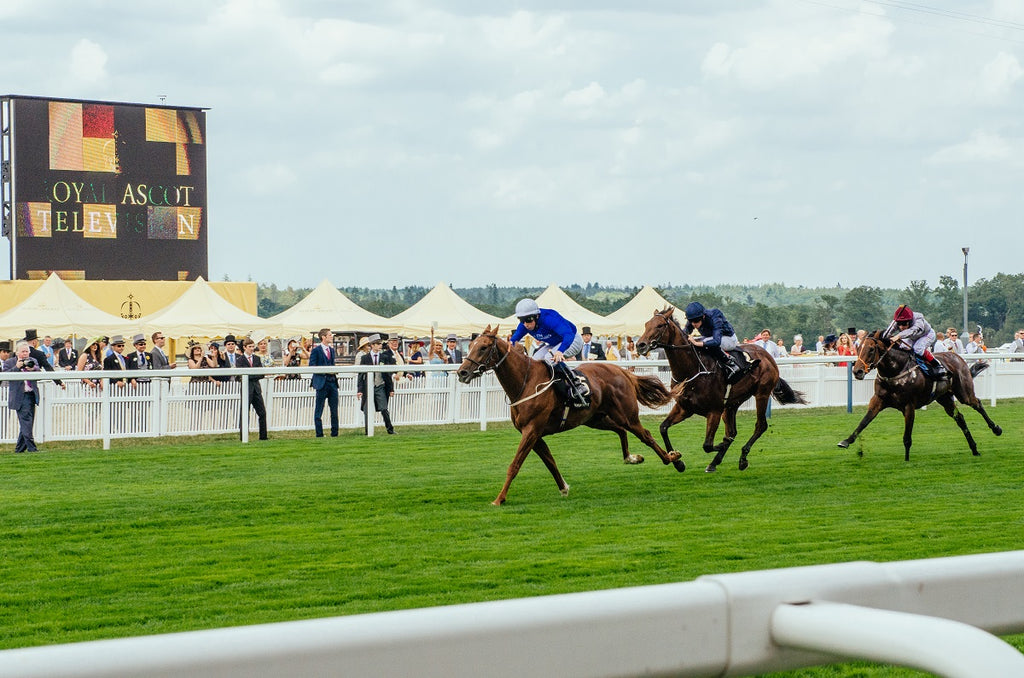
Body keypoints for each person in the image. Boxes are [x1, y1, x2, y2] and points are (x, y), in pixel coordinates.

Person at [509, 298, 589, 407]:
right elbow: (514, 340)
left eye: (528, 320)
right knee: (535, 360)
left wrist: (560, 351)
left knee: (548, 359)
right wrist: (509, 345)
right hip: (555, 343)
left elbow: (568, 335)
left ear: (537, 316)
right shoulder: (525, 325)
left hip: (573, 339)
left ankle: (577, 384)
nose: (526, 324)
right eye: (522, 320)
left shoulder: (550, 319)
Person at [681, 301, 758, 384]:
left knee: (702, 342)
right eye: (691, 321)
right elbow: (684, 333)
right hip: (710, 337)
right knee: (695, 340)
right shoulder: (694, 317)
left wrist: (696, 343)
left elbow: (716, 341)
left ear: (703, 316)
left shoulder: (715, 315)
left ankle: (731, 364)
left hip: (729, 339)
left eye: (696, 321)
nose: (693, 324)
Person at [883, 304, 947, 380]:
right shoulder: (897, 321)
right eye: (899, 324)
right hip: (912, 337)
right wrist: (884, 338)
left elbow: (912, 331)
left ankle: (937, 365)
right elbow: (887, 333)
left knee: (918, 348)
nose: (901, 327)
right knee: (903, 347)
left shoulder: (918, 319)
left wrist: (898, 336)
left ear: (909, 321)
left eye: (904, 324)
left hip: (926, 334)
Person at [4, 341, 42, 453]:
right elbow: (5, 377)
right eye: (23, 351)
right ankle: (32, 448)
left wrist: (33, 369)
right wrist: (16, 367)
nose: (25, 354)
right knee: (26, 422)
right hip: (20, 396)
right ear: (17, 353)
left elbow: (40, 374)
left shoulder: (33, 361)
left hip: (31, 394)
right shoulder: (10, 362)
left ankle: (19, 449)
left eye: (27, 351)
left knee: (27, 423)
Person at [356, 334, 396, 434]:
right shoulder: (365, 358)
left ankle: (390, 429)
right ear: (372, 345)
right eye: (378, 344)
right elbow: (361, 375)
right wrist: (360, 390)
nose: (380, 346)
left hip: (380, 386)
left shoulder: (384, 357)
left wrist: (391, 389)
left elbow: (388, 374)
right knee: (367, 410)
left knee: (384, 408)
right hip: (368, 387)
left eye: (380, 344)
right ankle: (367, 431)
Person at [309, 328, 339, 437]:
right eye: (330, 335)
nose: (332, 337)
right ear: (324, 337)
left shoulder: (331, 350)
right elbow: (312, 366)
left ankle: (335, 433)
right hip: (321, 382)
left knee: (334, 409)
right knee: (319, 410)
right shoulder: (316, 350)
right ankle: (319, 434)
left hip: (332, 382)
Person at [236, 337, 268, 440]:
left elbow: (261, 374)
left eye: (253, 346)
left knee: (262, 413)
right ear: (244, 347)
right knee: (245, 414)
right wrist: (252, 375)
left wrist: (251, 375)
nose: (252, 349)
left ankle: (263, 437)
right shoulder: (240, 360)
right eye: (250, 347)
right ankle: (243, 437)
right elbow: (240, 376)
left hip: (256, 389)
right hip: (246, 389)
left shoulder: (257, 359)